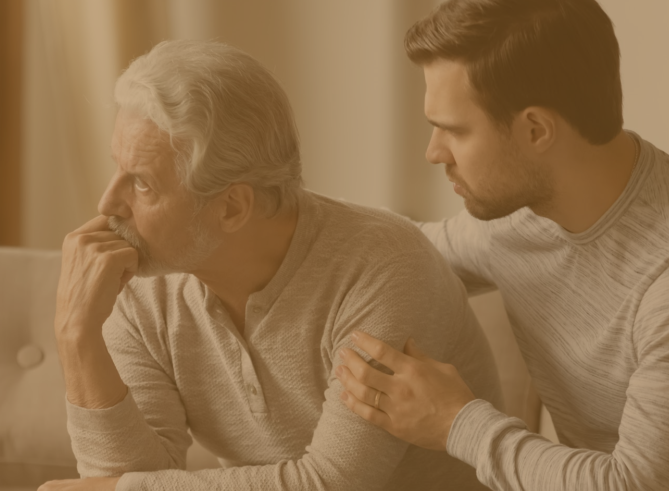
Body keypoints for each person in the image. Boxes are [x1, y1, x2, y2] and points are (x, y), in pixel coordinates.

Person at [336, 0, 669, 491]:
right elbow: (403, 251)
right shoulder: (521, 214)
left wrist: (454, 421)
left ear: (536, 130)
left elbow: (638, 487)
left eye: (454, 129)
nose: (433, 152)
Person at [39, 40, 502, 491]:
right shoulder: (143, 275)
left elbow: (334, 484)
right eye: (117, 168)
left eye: (141, 184)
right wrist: (76, 337)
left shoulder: (382, 268)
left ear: (232, 207)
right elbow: (126, 476)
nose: (107, 203)